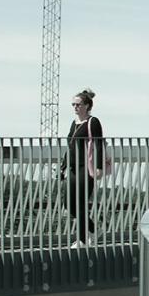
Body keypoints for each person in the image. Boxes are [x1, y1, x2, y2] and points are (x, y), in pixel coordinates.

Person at [60, 88, 106, 247]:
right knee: (69, 204)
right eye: (73, 104)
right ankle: (93, 229)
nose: (75, 107)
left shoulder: (93, 122)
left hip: (85, 168)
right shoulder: (74, 123)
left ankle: (82, 240)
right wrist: (64, 166)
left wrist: (99, 167)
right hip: (72, 168)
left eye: (78, 105)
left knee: (79, 203)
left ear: (87, 106)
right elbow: (71, 145)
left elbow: (99, 144)